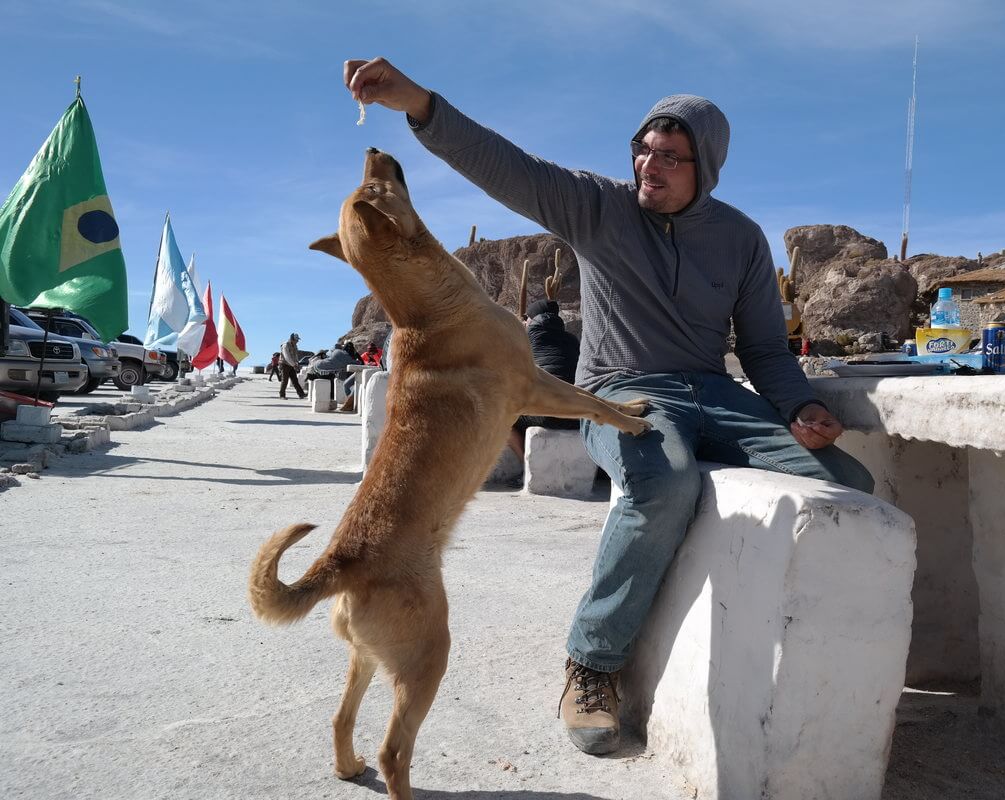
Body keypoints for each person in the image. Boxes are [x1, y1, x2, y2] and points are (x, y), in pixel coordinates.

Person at [345, 57, 874, 756]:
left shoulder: (741, 239)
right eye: (643, 151)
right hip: (622, 391)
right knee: (664, 480)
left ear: (705, 168)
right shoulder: (597, 208)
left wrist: (801, 404)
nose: (649, 167)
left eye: (670, 158)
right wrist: (414, 102)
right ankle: (591, 666)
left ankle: (833, 669)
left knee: (849, 486)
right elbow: (506, 165)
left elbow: (767, 351)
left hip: (716, 392)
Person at [507, 298, 580, 460]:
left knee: (504, 419)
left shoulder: (526, 339)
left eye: (527, 318)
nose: (524, 321)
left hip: (547, 413)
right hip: (577, 412)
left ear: (532, 319)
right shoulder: (572, 340)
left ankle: (524, 463)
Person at [279, 333, 306, 399]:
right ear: (292, 339)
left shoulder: (295, 345)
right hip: (284, 364)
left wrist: (296, 363)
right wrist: (294, 365)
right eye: (296, 340)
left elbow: (295, 355)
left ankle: (301, 394)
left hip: (292, 364)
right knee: (285, 380)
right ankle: (282, 395)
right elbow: (287, 356)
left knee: (295, 380)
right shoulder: (285, 345)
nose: (297, 341)